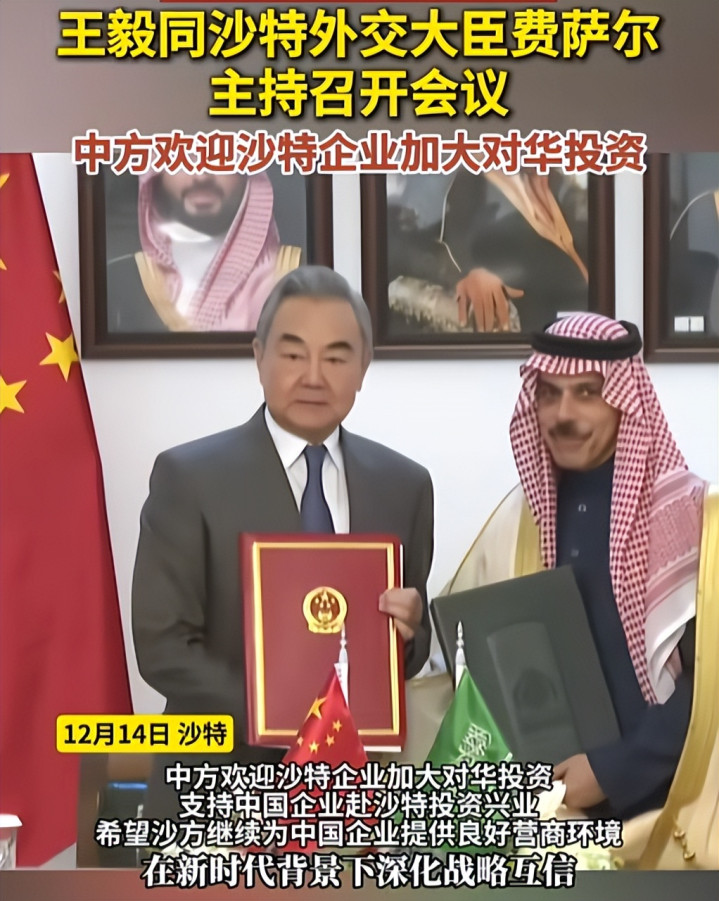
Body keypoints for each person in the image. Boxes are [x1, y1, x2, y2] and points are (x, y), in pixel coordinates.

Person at [132, 265, 434, 818]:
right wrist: (290, 715)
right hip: (214, 794)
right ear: (259, 356)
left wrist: (411, 631)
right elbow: (164, 648)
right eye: (293, 354)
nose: (313, 377)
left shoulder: (404, 486)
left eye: (336, 358)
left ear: (364, 367)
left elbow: (406, 650)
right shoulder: (190, 478)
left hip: (349, 798)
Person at [443, 313, 716, 821]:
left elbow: (710, 679)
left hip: (672, 811)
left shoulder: (691, 516)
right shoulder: (521, 520)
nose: (563, 414)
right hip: (546, 808)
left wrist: (613, 772)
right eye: (549, 394)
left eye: (587, 393)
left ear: (624, 402)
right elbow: (467, 655)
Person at [386, 170, 588, 334]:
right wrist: (466, 273)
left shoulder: (558, 185)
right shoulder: (455, 182)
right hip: (526, 341)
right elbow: (399, 245)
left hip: (580, 330)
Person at [107, 171, 300, 332]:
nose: (202, 176)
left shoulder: (302, 272)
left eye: (220, 156)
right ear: (156, 174)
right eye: (184, 158)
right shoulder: (116, 279)